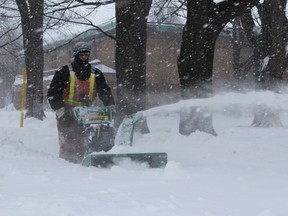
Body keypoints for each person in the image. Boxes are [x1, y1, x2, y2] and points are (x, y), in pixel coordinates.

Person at [47, 41, 115, 163]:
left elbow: (104, 91)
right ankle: (67, 162)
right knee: (69, 140)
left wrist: (110, 105)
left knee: (91, 137)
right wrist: (60, 110)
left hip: (87, 113)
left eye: (86, 54)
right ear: (76, 55)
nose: (84, 57)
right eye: (81, 54)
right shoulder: (63, 72)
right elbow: (52, 93)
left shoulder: (96, 73)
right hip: (67, 111)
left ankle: (89, 159)